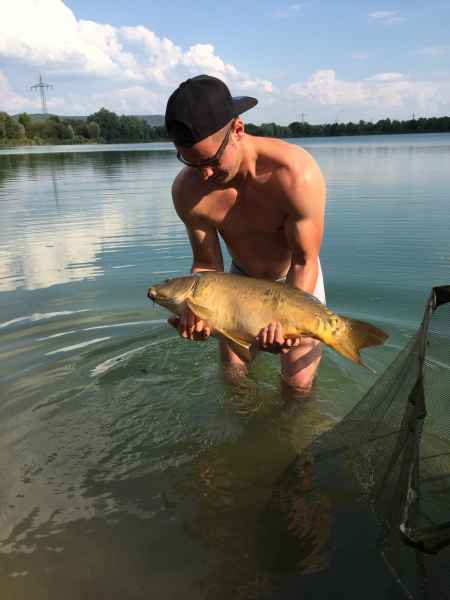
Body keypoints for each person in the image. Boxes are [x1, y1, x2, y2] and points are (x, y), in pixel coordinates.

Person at [164, 74, 326, 394]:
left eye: (211, 160)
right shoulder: (187, 190)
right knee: (234, 378)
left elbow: (304, 261)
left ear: (238, 129)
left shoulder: (295, 174)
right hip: (237, 283)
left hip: (295, 279)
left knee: (297, 385)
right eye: (191, 163)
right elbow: (207, 266)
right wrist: (197, 313)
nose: (204, 174)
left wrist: (283, 321)